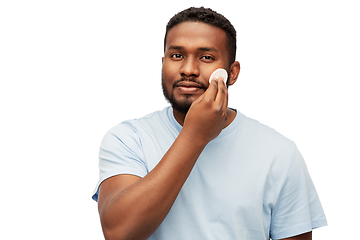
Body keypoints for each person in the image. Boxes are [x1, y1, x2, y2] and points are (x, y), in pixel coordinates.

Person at [92, 7, 327, 240]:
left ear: (232, 73)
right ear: (163, 63)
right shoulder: (128, 139)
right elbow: (119, 233)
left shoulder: (279, 153)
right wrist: (194, 136)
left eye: (206, 57)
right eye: (177, 56)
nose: (188, 70)